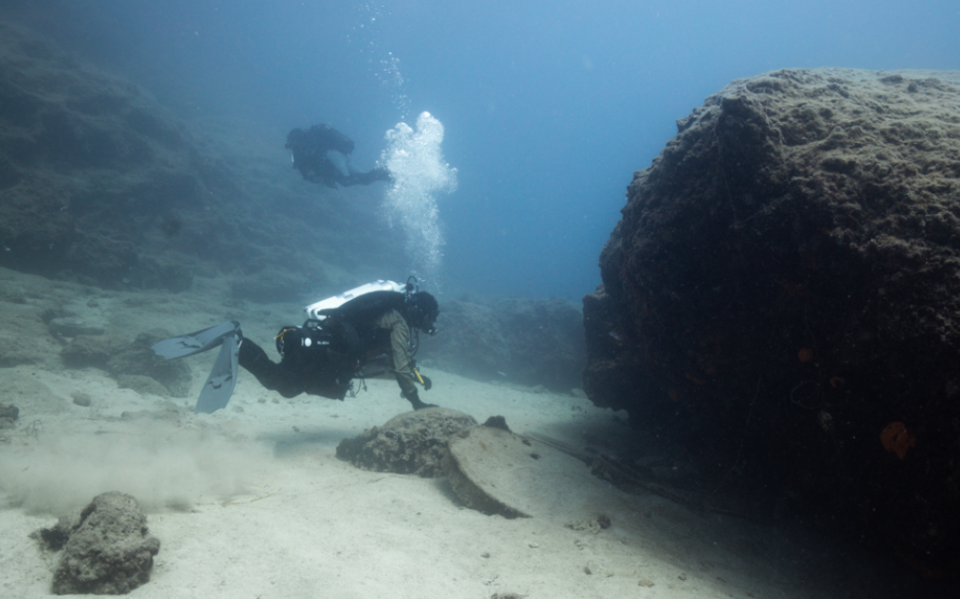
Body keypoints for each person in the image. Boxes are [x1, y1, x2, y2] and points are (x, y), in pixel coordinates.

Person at [151, 280, 439, 414]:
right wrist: (416, 403)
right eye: (427, 320)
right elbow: (399, 362)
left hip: (318, 345)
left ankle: (236, 340)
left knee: (284, 385)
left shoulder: (386, 312)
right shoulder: (398, 320)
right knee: (283, 384)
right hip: (323, 354)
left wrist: (415, 376)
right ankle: (235, 339)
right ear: (419, 312)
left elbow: (390, 362)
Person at [285, 124, 392, 188]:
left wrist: (311, 177)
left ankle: (381, 172)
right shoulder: (309, 141)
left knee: (346, 181)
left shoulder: (298, 145)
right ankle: (384, 173)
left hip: (331, 156)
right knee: (363, 177)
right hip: (340, 155)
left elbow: (301, 167)